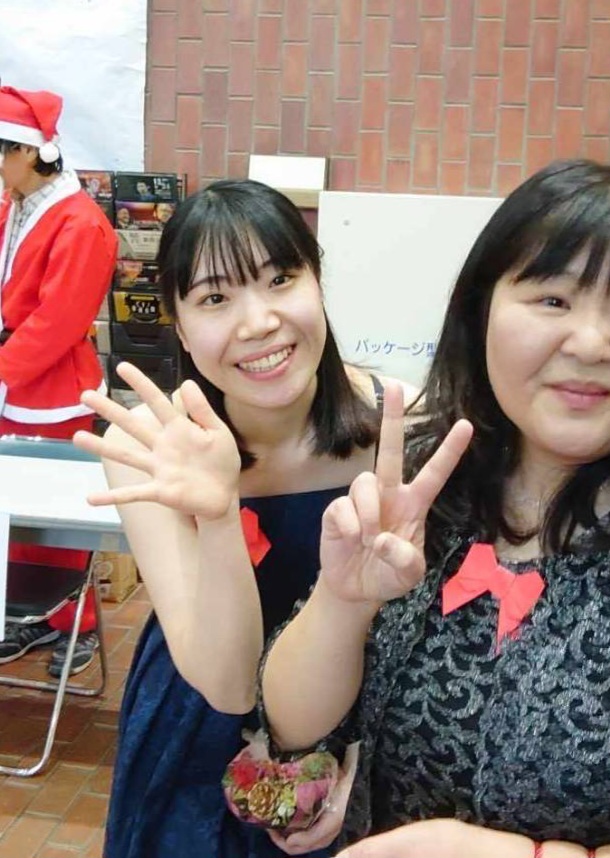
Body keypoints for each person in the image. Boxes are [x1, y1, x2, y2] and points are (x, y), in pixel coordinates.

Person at [260, 159, 610, 857]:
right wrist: (342, 602)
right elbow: (296, 727)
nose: (590, 342)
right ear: (480, 311)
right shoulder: (429, 471)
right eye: (552, 299)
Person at [72, 179, 414, 858]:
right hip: (197, 726)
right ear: (179, 324)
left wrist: (363, 761)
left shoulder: (401, 426)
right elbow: (228, 686)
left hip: (365, 716)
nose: (257, 322)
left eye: (280, 279)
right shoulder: (149, 448)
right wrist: (219, 514)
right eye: (214, 298)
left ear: (317, 281)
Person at [0, 85, 117, 676]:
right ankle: (30, 615)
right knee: (15, 507)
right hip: (14, 376)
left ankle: (78, 623)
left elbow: (57, 322)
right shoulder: (15, 204)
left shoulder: (82, 225)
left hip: (52, 388)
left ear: (28, 152)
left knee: (59, 513)